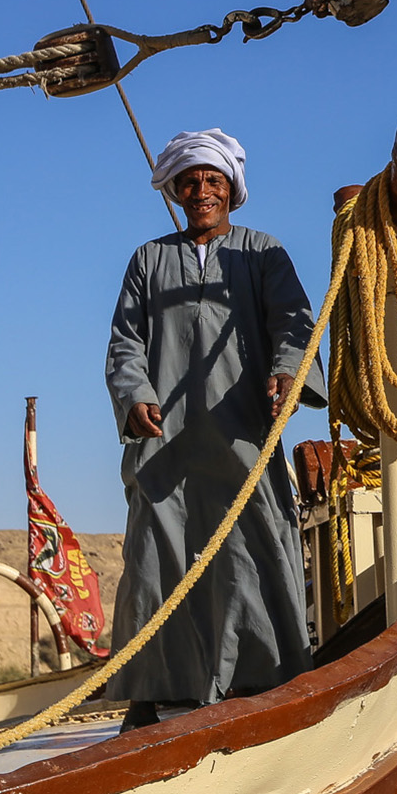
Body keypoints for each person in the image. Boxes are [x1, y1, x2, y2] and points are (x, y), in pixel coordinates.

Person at [104, 127, 326, 730]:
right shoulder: (148, 260)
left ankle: (265, 680)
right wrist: (134, 396)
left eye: (213, 180)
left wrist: (287, 374)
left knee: (251, 550)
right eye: (191, 181)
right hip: (165, 442)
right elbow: (125, 343)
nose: (202, 190)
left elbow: (296, 325)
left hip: (241, 436)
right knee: (156, 560)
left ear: (231, 189)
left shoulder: (263, 253)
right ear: (175, 190)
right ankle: (151, 691)